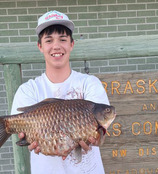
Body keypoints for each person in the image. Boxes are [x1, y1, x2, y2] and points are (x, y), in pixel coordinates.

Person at [11, 10, 109, 174]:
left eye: (63, 39)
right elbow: (23, 136)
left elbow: (101, 135)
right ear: (40, 46)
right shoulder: (28, 90)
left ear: (72, 44)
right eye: (49, 40)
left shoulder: (90, 83)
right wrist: (29, 140)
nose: (56, 46)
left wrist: (98, 139)